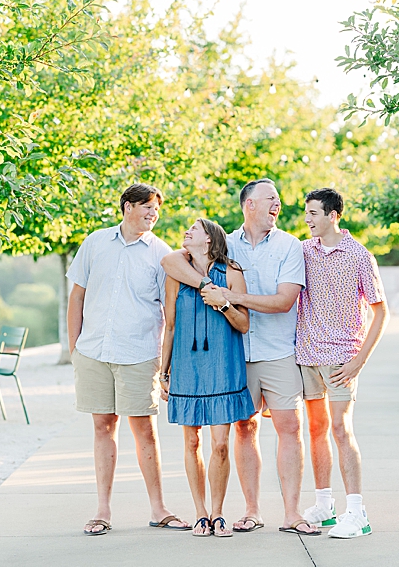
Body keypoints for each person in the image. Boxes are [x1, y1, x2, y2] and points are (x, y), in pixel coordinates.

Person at [162, 179, 318, 536]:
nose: (278, 204)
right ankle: (251, 511)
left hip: (277, 351)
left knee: (290, 429)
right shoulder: (225, 243)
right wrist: (207, 288)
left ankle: (291, 513)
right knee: (244, 429)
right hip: (231, 356)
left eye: (278, 199)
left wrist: (230, 297)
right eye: (271, 199)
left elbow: (283, 302)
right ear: (249, 205)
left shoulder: (290, 246)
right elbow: (172, 260)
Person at [66, 183, 189, 536]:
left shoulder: (161, 254)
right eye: (147, 207)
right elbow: (77, 297)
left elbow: (170, 314)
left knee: (144, 430)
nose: (153, 214)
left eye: (156, 209)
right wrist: (75, 349)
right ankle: (102, 510)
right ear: (127, 207)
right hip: (93, 353)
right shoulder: (95, 243)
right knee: (103, 427)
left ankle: (159, 508)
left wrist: (166, 366)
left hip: (138, 355)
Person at [297, 188, 389, 539]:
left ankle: (357, 513)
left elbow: (381, 312)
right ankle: (325, 505)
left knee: (340, 429)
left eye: (314, 213)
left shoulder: (360, 256)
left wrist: (359, 361)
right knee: (316, 430)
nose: (307, 220)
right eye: (306, 213)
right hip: (306, 355)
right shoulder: (303, 250)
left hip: (341, 360)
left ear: (334, 215)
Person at [159, 218, 255, 537]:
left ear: (209, 240)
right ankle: (200, 513)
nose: (187, 231)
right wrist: (164, 370)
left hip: (223, 366)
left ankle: (218, 512)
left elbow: (243, 324)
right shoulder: (177, 272)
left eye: (194, 228)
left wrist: (224, 303)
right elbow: (170, 326)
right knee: (191, 440)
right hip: (186, 367)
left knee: (221, 444)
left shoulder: (231, 272)